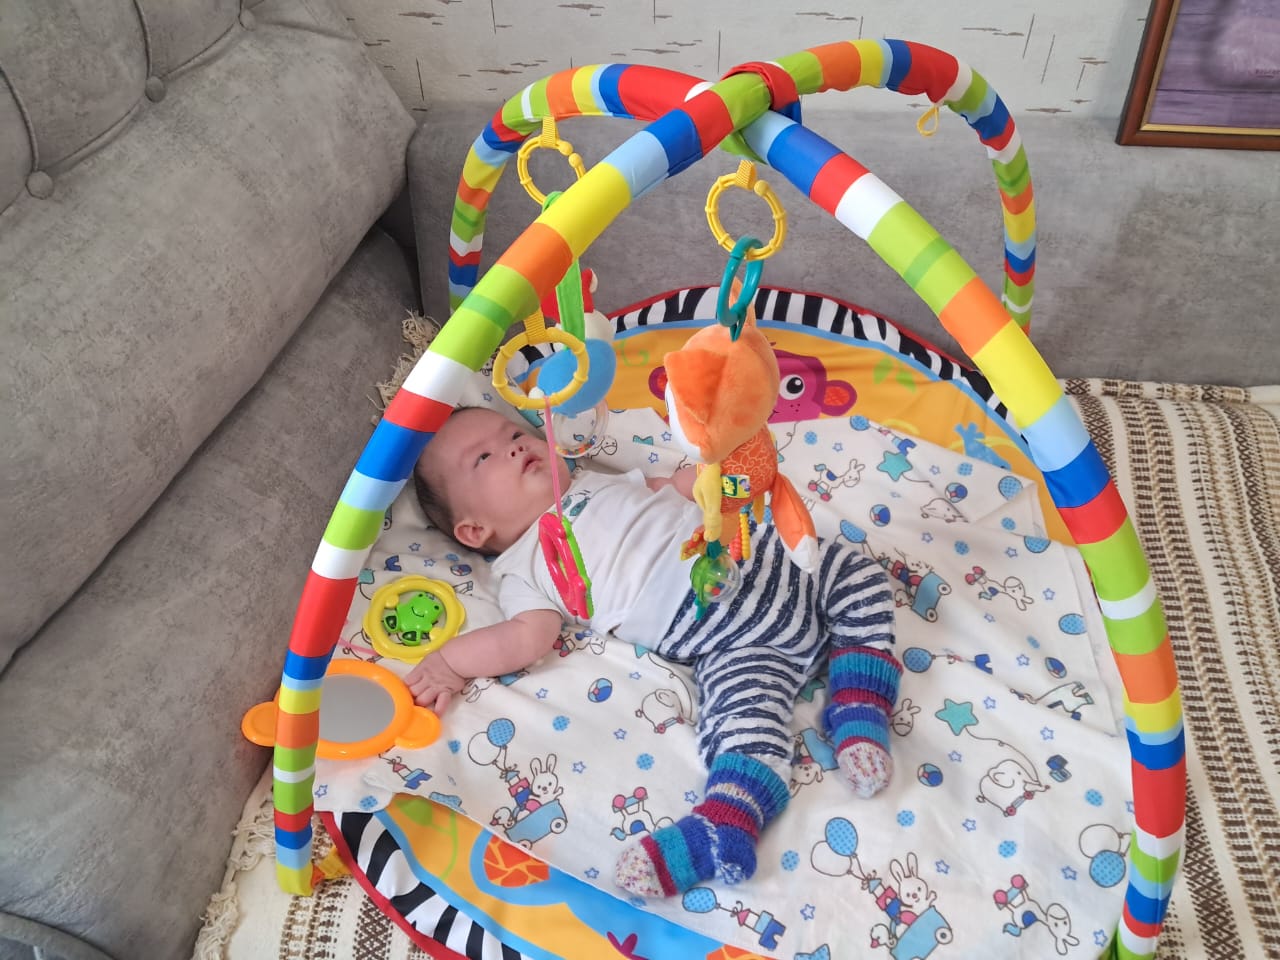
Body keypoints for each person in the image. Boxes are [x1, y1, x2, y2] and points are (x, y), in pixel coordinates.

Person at [406, 406, 901, 898]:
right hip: (729, 643)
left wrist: (718, 467)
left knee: (858, 576)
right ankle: (728, 819)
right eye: (485, 457)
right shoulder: (524, 568)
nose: (516, 446)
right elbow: (523, 638)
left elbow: (681, 488)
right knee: (742, 720)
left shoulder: (599, 483)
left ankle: (859, 701)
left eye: (516, 433)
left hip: (767, 560)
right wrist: (450, 662)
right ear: (474, 530)